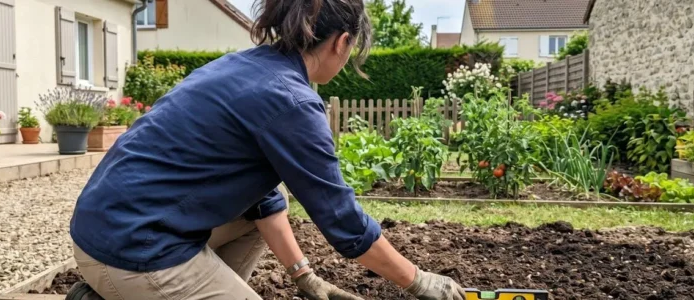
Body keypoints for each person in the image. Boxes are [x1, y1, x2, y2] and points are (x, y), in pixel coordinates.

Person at [66, 0, 466, 299]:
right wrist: (418, 280)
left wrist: (303, 274)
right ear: (343, 42)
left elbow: (265, 197)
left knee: (265, 205)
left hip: (101, 230)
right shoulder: (291, 101)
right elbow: (343, 221)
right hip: (133, 249)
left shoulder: (244, 67)